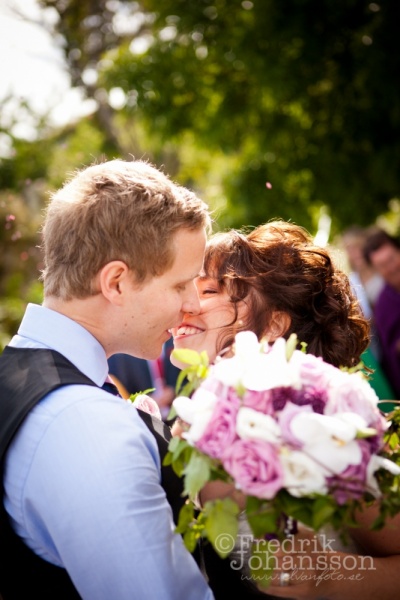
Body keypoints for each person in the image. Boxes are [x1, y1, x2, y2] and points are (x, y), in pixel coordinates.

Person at [0, 158, 215, 599]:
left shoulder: (21, 376)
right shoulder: (85, 424)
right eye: (180, 285)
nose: (192, 304)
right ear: (116, 282)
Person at [171, 220, 376, 599]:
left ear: (274, 326)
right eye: (183, 288)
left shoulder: (326, 429)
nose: (183, 304)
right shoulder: (186, 428)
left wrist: (329, 578)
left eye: (209, 290)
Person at [341, 226, 395, 400]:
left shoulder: (382, 272)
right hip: (374, 343)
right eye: (349, 249)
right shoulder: (351, 281)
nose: (354, 252)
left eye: (356, 247)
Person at [363, 228, 400, 399]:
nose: (392, 267)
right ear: (376, 270)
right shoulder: (383, 306)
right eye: (382, 265)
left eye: (392, 258)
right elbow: (390, 355)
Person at [108, 338, 180, 419]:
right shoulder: (128, 355)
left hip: (178, 411)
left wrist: (173, 391)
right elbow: (125, 389)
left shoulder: (176, 343)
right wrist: (146, 402)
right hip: (147, 418)